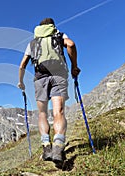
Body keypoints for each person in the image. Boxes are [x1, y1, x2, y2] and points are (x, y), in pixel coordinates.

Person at [18, 18, 80, 165]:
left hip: (40, 78)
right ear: (52, 25)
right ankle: (58, 146)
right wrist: (74, 66)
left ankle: (46, 146)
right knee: (59, 111)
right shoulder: (59, 35)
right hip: (58, 74)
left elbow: (23, 64)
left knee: (42, 113)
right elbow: (70, 44)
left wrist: (21, 82)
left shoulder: (33, 43)